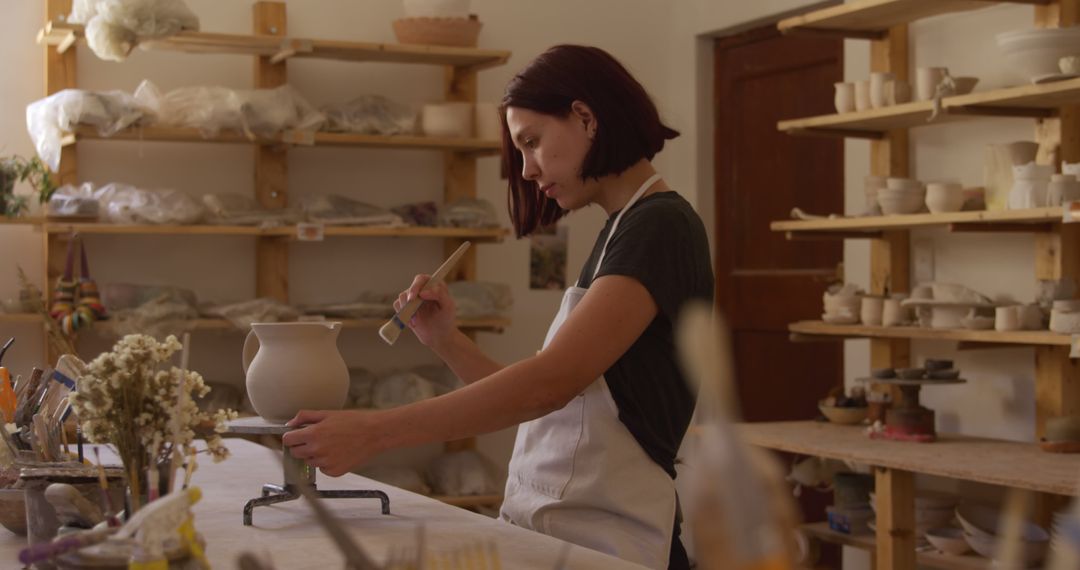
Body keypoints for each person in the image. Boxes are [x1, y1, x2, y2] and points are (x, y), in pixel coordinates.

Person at [281, 44, 714, 570]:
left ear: (585, 117)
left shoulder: (661, 227)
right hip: (567, 530)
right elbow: (558, 409)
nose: (528, 170)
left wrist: (376, 432)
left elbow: (549, 384)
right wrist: (446, 340)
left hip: (615, 542)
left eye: (532, 142)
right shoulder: (620, 231)